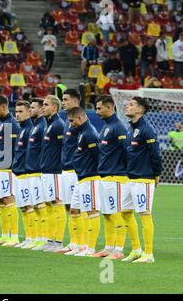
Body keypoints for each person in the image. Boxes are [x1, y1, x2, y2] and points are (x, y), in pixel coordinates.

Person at [94, 95, 141, 260]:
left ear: (110, 107)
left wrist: (127, 171)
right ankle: (109, 246)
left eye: (100, 108)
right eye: (96, 108)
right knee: (107, 214)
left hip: (117, 178)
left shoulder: (118, 127)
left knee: (117, 214)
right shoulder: (106, 127)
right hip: (105, 177)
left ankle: (119, 249)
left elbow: (128, 151)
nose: (97, 111)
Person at [124, 96, 162, 263]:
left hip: (143, 178)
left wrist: (156, 174)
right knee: (125, 212)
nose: (127, 106)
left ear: (139, 110)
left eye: (131, 105)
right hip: (130, 178)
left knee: (144, 214)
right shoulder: (130, 129)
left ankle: (149, 254)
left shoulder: (147, 129)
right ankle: (136, 249)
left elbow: (155, 154)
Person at [66, 106, 101, 257]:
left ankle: (90, 247)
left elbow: (98, 156)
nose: (70, 124)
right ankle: (78, 244)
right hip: (81, 178)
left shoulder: (89, 134)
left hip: (90, 178)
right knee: (74, 210)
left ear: (80, 118)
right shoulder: (82, 132)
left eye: (72, 121)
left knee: (91, 212)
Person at [0, 96, 21, 246]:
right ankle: (4, 235)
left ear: (3, 107)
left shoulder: (12, 124)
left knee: (9, 200)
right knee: (1, 201)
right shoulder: (1, 123)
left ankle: (14, 236)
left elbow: (17, 148)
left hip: (8, 169)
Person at [35, 95, 65, 251]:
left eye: (46, 104)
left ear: (54, 107)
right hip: (46, 170)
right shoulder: (49, 124)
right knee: (48, 205)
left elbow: (64, 147)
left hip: (54, 171)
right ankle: (50, 239)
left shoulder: (59, 125)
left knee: (56, 203)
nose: (42, 107)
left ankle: (58, 241)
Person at [17, 98, 47, 249]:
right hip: (27, 172)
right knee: (29, 206)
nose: (30, 111)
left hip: (35, 172)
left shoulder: (41, 127)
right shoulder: (33, 127)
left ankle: (42, 238)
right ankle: (31, 237)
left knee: (38, 206)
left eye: (33, 108)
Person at [55, 89, 82, 254]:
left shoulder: (80, 121)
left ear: (76, 101)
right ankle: (74, 242)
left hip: (75, 170)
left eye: (65, 100)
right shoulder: (67, 121)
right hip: (65, 169)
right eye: (62, 100)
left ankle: (83, 243)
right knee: (68, 207)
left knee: (78, 207)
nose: (63, 102)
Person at [11, 100, 34, 247]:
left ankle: (34, 238)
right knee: (23, 207)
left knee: (30, 206)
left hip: (26, 174)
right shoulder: (22, 129)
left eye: (20, 112)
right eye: (16, 112)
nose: (17, 115)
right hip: (18, 173)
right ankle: (28, 238)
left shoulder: (30, 129)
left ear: (29, 112)